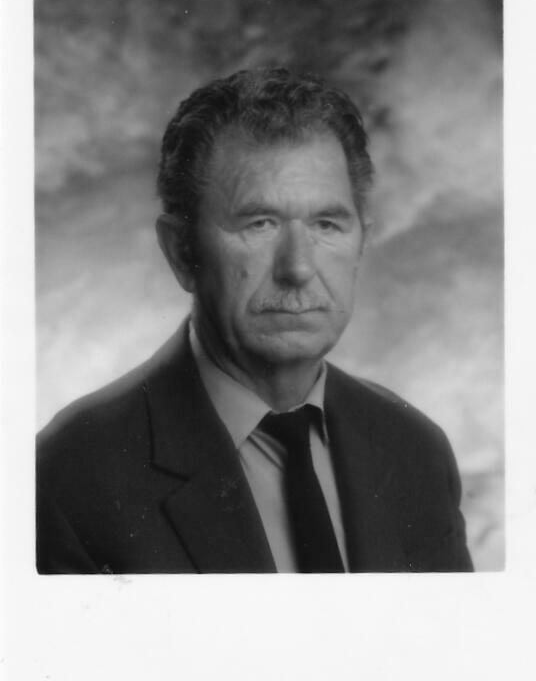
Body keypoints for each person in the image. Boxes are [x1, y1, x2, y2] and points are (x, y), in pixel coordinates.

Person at [36, 67, 473, 574]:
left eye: (326, 224)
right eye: (259, 224)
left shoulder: (416, 450)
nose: (298, 268)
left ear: (360, 243)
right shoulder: (69, 475)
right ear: (182, 252)